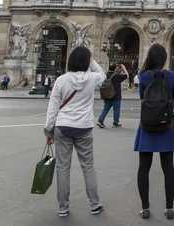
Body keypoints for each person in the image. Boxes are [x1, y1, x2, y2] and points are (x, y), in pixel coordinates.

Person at [44, 46, 106, 218]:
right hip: (84, 127)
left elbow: (52, 108)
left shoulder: (62, 80)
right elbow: (103, 73)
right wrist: (92, 60)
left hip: (63, 126)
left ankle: (63, 207)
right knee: (88, 167)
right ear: (86, 61)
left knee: (63, 168)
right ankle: (94, 204)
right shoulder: (92, 78)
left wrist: (49, 131)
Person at [134, 43, 174, 220]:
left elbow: (142, 98)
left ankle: (145, 208)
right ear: (165, 58)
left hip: (147, 125)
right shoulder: (173, 76)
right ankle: (169, 208)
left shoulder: (144, 76)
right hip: (166, 124)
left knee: (144, 167)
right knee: (168, 167)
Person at [97, 63, 129, 128]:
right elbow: (126, 76)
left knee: (105, 109)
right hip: (115, 96)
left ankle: (100, 120)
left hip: (107, 95)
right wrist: (124, 68)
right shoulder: (117, 76)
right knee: (116, 109)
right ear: (115, 68)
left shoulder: (106, 75)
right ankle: (115, 123)